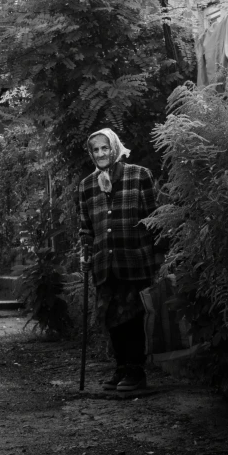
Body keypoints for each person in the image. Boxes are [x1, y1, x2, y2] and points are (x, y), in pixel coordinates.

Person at [78, 128, 163, 392]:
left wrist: (159, 253)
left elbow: (155, 218)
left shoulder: (139, 175)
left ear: (114, 148)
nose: (101, 154)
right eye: (96, 150)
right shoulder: (87, 185)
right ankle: (121, 368)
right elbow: (86, 227)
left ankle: (136, 372)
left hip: (134, 259)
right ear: (91, 154)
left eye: (105, 148)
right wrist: (86, 252)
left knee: (132, 317)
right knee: (112, 317)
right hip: (104, 263)